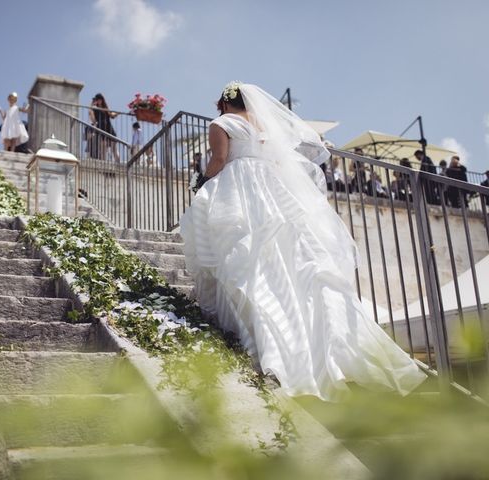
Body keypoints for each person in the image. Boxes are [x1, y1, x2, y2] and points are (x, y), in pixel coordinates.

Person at [180, 82, 426, 402]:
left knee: (247, 263)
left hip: (239, 191)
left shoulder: (221, 124)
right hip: (272, 190)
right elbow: (281, 163)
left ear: (224, 105)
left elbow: (220, 158)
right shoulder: (265, 125)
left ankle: (274, 350)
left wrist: (201, 180)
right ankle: (331, 353)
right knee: (297, 264)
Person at [89, 93, 120, 163]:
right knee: (103, 148)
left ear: (102, 100)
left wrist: (117, 113)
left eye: (99, 99)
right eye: (97, 100)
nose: (98, 101)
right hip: (102, 128)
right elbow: (93, 119)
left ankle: (118, 164)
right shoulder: (94, 109)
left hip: (109, 127)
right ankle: (104, 164)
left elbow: (111, 115)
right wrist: (91, 105)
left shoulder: (105, 108)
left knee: (114, 148)